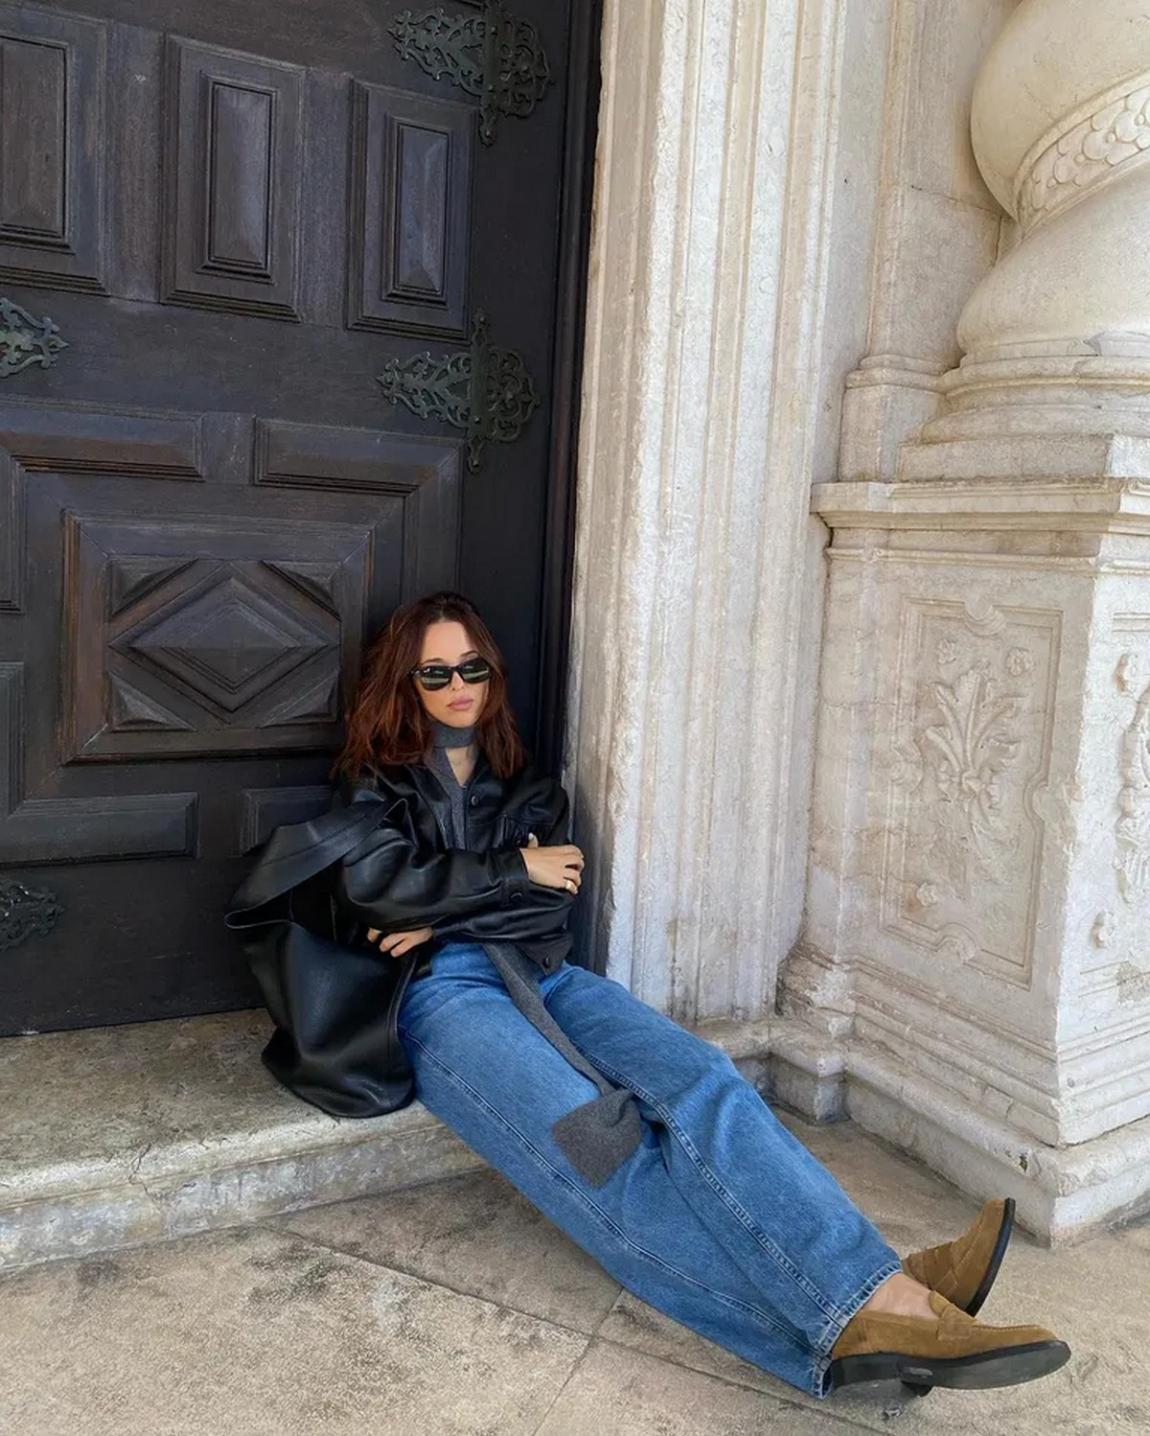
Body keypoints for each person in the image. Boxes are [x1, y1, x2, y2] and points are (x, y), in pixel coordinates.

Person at [235, 589, 1071, 1404]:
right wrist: (509, 870)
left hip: (544, 972)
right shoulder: (374, 787)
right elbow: (377, 891)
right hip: (440, 998)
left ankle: (877, 1289)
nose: (459, 686)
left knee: (705, 1079)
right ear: (405, 684)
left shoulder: (526, 789)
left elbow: (549, 903)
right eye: (436, 673)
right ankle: (883, 1315)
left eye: (473, 667)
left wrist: (443, 903)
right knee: (601, 1152)